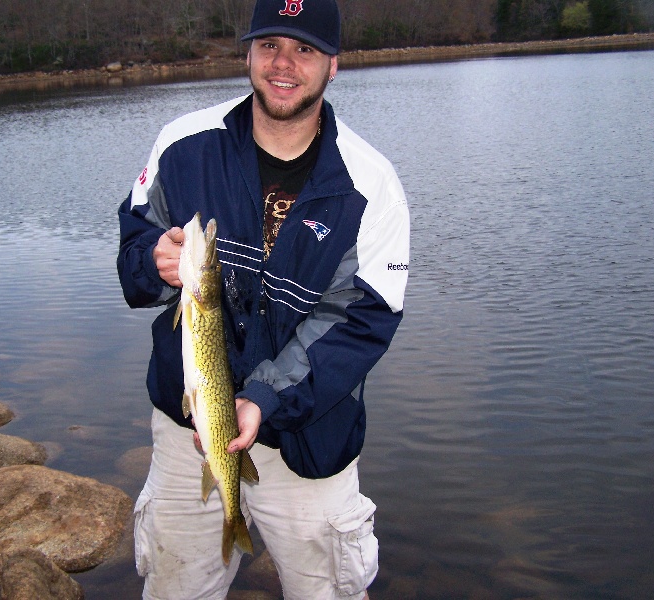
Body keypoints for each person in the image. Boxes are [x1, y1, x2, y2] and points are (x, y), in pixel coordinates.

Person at [117, 0, 409, 597]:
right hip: (189, 427)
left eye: (304, 49)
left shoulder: (372, 184)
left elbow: (361, 322)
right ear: (247, 52)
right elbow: (133, 251)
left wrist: (265, 398)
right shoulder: (182, 145)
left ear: (333, 66)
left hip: (307, 431)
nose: (284, 64)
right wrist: (153, 260)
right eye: (270, 44)